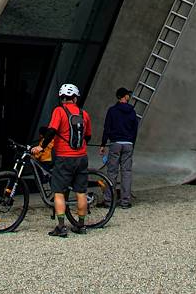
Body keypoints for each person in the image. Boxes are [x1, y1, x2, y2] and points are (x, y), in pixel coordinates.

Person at [31, 83, 92, 237]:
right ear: (75, 98)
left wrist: (41, 147)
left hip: (64, 157)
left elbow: (51, 131)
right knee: (81, 192)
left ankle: (61, 227)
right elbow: (88, 136)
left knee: (58, 192)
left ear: (62, 98)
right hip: (82, 157)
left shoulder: (59, 111)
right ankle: (81, 225)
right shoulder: (84, 114)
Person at [98, 87, 139, 208]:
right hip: (128, 144)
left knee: (112, 172)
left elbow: (107, 128)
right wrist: (132, 143)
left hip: (115, 144)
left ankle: (109, 200)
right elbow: (135, 129)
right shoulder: (132, 111)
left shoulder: (112, 111)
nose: (129, 96)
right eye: (127, 95)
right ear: (124, 96)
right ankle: (125, 201)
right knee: (126, 172)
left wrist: (103, 144)